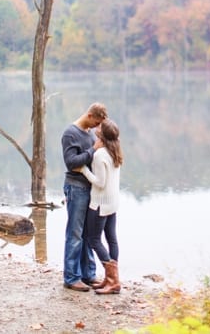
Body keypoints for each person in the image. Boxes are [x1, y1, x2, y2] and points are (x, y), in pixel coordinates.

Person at [61, 102, 108, 292]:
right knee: (75, 233)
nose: (97, 127)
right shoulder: (70, 133)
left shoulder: (89, 133)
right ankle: (71, 277)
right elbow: (71, 163)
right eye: (96, 122)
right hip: (76, 188)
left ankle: (88, 274)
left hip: (89, 189)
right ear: (89, 115)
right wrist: (93, 150)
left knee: (88, 234)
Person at [75, 118, 123, 295]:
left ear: (101, 134)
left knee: (93, 239)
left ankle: (113, 280)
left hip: (100, 203)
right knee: (111, 239)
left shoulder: (100, 155)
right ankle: (110, 279)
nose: (97, 126)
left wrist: (83, 170)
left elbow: (100, 182)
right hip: (113, 203)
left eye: (100, 126)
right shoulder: (115, 150)